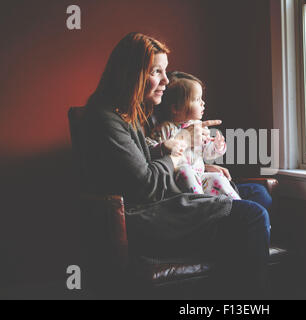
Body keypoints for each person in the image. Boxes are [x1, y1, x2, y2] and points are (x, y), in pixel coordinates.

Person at [80, 32, 271, 298]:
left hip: (166, 196)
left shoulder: (128, 114)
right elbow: (146, 184)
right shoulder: (106, 120)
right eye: (157, 72)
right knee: (252, 216)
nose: (166, 81)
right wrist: (180, 144)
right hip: (146, 215)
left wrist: (200, 165)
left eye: (165, 71)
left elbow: (145, 158)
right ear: (131, 73)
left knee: (257, 194)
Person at [146, 71, 241, 200]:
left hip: (200, 175)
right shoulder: (165, 128)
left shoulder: (199, 127)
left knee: (218, 177)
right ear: (176, 108)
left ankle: (236, 204)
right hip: (177, 179)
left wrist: (217, 147)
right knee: (185, 170)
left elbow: (207, 153)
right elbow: (152, 149)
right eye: (197, 100)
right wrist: (166, 145)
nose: (203, 103)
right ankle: (200, 204)